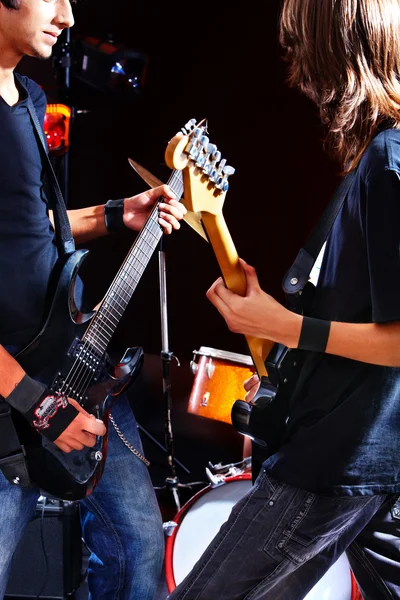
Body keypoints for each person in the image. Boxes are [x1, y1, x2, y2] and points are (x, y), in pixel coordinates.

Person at [168, 0, 400, 599]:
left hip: (338, 460)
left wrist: (291, 329)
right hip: (370, 462)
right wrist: (289, 364)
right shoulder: (373, 159)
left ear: (336, 48)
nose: (293, 67)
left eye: (299, 44)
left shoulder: (387, 160)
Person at [0, 1, 187, 599]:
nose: (68, 12)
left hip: (77, 373)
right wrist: (36, 404)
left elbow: (36, 229)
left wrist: (116, 214)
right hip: (13, 401)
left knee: (138, 557)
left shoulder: (27, 97)